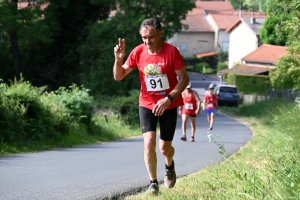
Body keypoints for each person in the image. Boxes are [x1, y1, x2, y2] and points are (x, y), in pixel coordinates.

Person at [113, 18, 189, 195]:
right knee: (149, 143)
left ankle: (169, 165)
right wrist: (119, 59)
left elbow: (184, 79)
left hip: (168, 105)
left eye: (151, 37)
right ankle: (153, 183)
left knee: (164, 149)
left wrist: (169, 98)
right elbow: (119, 76)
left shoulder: (172, 52)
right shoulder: (138, 52)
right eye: (144, 37)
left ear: (160, 33)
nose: (147, 41)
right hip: (147, 104)